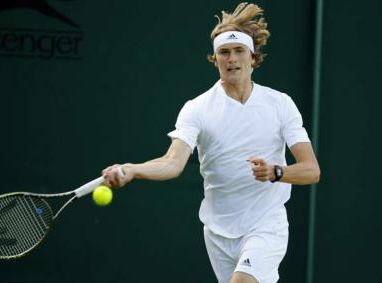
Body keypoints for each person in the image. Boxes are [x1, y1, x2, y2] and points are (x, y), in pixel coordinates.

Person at [101, 3, 320, 283]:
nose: (232, 59)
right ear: (215, 59)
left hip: (266, 223)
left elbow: (311, 170)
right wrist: (133, 169)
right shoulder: (197, 109)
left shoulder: (281, 105)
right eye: (224, 53)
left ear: (253, 58)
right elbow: (172, 162)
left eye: (239, 51)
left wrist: (277, 172)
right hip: (218, 232)